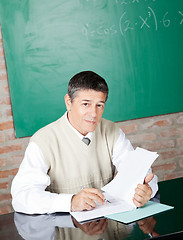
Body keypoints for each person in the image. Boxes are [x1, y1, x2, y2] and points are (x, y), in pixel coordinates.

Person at [11, 71, 158, 214]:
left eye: (99, 105)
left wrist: (146, 191)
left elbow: (141, 174)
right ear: (69, 102)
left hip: (109, 226)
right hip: (66, 230)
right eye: (86, 104)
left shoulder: (112, 131)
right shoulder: (43, 141)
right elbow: (21, 196)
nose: (93, 114)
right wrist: (71, 202)